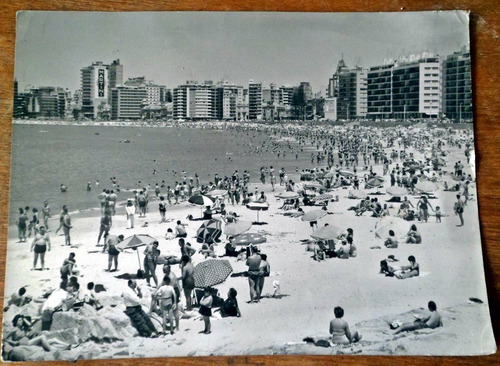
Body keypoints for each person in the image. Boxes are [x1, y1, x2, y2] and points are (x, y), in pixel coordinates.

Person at [3, 314, 71, 360]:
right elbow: (4, 338)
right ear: (16, 321)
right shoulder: (14, 329)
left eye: (22, 320)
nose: (21, 322)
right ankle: (52, 351)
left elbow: (29, 324)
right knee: (42, 337)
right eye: (19, 320)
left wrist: (24, 319)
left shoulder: (23, 328)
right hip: (24, 343)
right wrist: (13, 342)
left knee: (53, 340)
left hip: (28, 342)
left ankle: (67, 345)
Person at [162, 264, 180, 331]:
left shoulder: (171, 276)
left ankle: (177, 327)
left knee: (175, 309)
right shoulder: (166, 275)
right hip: (172, 290)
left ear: (168, 269)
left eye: (165, 269)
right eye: (163, 268)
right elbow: (162, 283)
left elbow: (170, 288)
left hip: (174, 291)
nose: (163, 270)